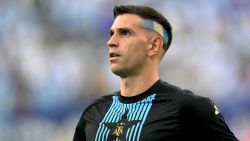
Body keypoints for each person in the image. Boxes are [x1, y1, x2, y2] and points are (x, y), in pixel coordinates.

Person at [73, 5, 238, 141]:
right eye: (112, 34)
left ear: (153, 46)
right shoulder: (93, 112)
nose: (111, 42)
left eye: (125, 33)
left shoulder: (188, 107)